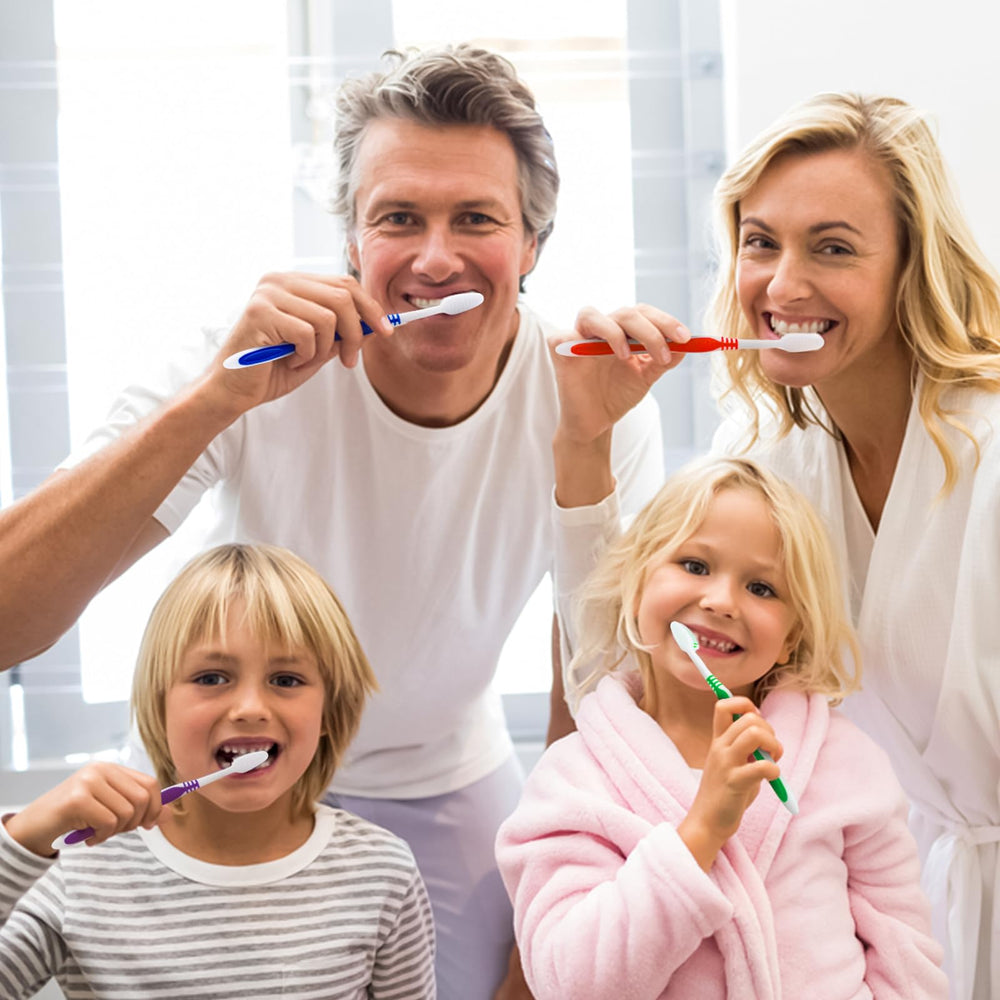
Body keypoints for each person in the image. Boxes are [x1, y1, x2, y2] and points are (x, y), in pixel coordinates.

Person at [0, 45, 664, 998]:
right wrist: (212, 403)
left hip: (439, 780)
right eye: (399, 218)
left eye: (476, 218)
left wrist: (542, 939)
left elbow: (594, 685)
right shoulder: (243, 360)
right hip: (215, 771)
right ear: (351, 241)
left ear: (532, 246)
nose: (435, 258)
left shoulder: (591, 399)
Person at [544, 91, 1000, 999]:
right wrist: (584, 443)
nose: (783, 285)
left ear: (911, 267)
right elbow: (630, 657)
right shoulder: (768, 459)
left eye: (832, 248)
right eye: (761, 243)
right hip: (916, 913)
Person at [495, 456, 947, 999]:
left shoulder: (846, 762)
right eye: (694, 565)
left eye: (761, 588)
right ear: (635, 585)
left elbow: (905, 952)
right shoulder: (571, 784)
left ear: (791, 636)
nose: (721, 601)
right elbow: (573, 983)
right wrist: (702, 829)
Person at [0, 543, 436, 999]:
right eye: (211, 678)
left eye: (286, 680)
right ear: (159, 705)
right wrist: (24, 837)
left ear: (329, 712)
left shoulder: (381, 872)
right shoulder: (82, 870)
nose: (249, 708)